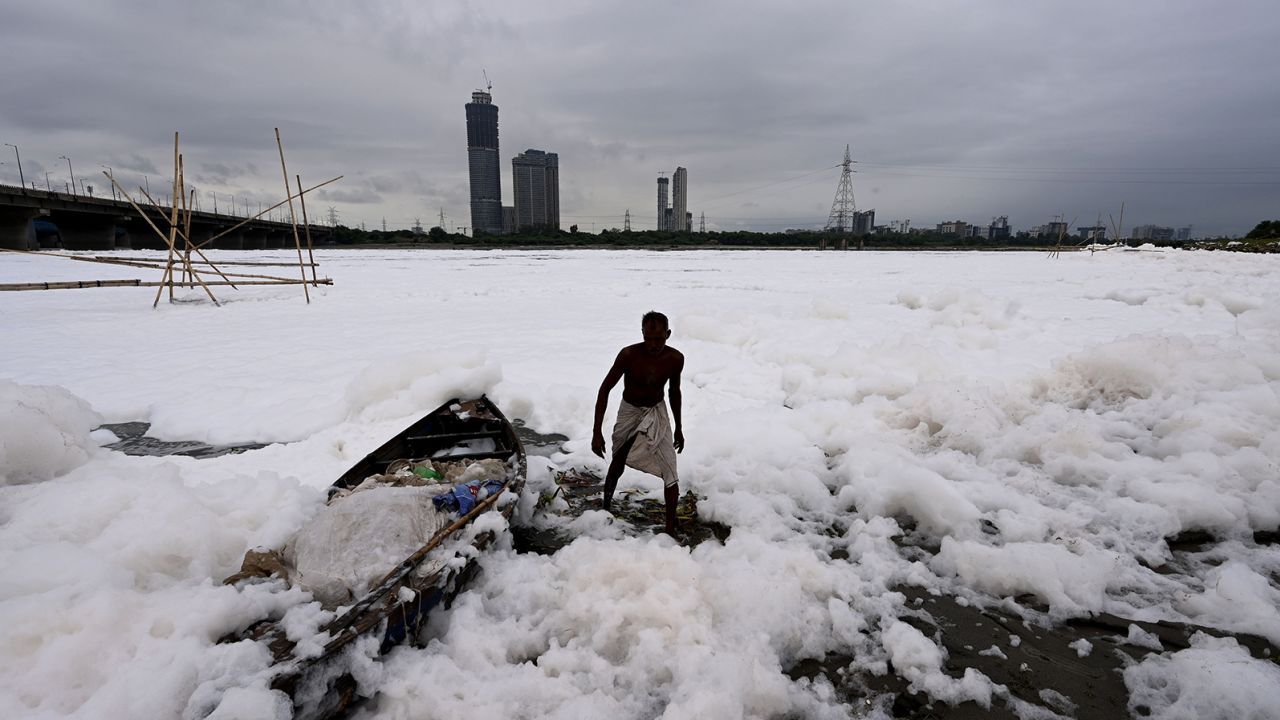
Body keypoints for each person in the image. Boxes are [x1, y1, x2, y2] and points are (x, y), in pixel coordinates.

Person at [592, 311, 685, 536]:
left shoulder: (675, 359)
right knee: (618, 459)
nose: (653, 344)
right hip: (630, 409)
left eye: (659, 339)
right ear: (642, 334)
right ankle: (606, 508)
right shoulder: (628, 355)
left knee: (670, 468)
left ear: (668, 334)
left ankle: (670, 529)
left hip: (656, 410)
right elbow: (605, 389)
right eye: (648, 338)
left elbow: (674, 392)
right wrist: (596, 432)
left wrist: (679, 428)